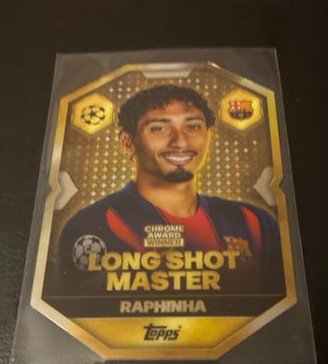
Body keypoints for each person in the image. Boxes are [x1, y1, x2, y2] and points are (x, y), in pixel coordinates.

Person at [58, 84, 285, 294]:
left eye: (193, 126)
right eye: (159, 128)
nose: (181, 141)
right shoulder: (90, 227)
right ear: (128, 143)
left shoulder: (253, 223)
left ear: (209, 136)